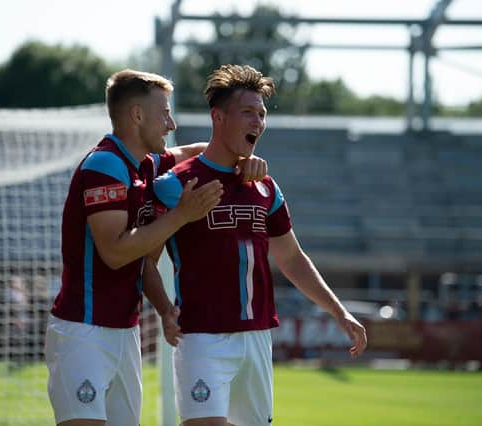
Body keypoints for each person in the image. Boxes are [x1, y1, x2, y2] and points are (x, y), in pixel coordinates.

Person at [45, 69, 266, 426]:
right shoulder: (105, 165)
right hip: (83, 331)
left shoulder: (146, 164)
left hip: (124, 331)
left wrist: (245, 160)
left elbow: (200, 153)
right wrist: (181, 215)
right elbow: (116, 253)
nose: (171, 122)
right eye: (164, 112)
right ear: (136, 115)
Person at [153, 64, 368, 426]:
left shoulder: (265, 186)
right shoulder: (175, 184)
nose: (258, 122)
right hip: (201, 338)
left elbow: (292, 258)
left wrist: (339, 311)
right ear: (217, 117)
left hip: (256, 340)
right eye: (248, 112)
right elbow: (146, 256)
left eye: (262, 114)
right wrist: (162, 308)